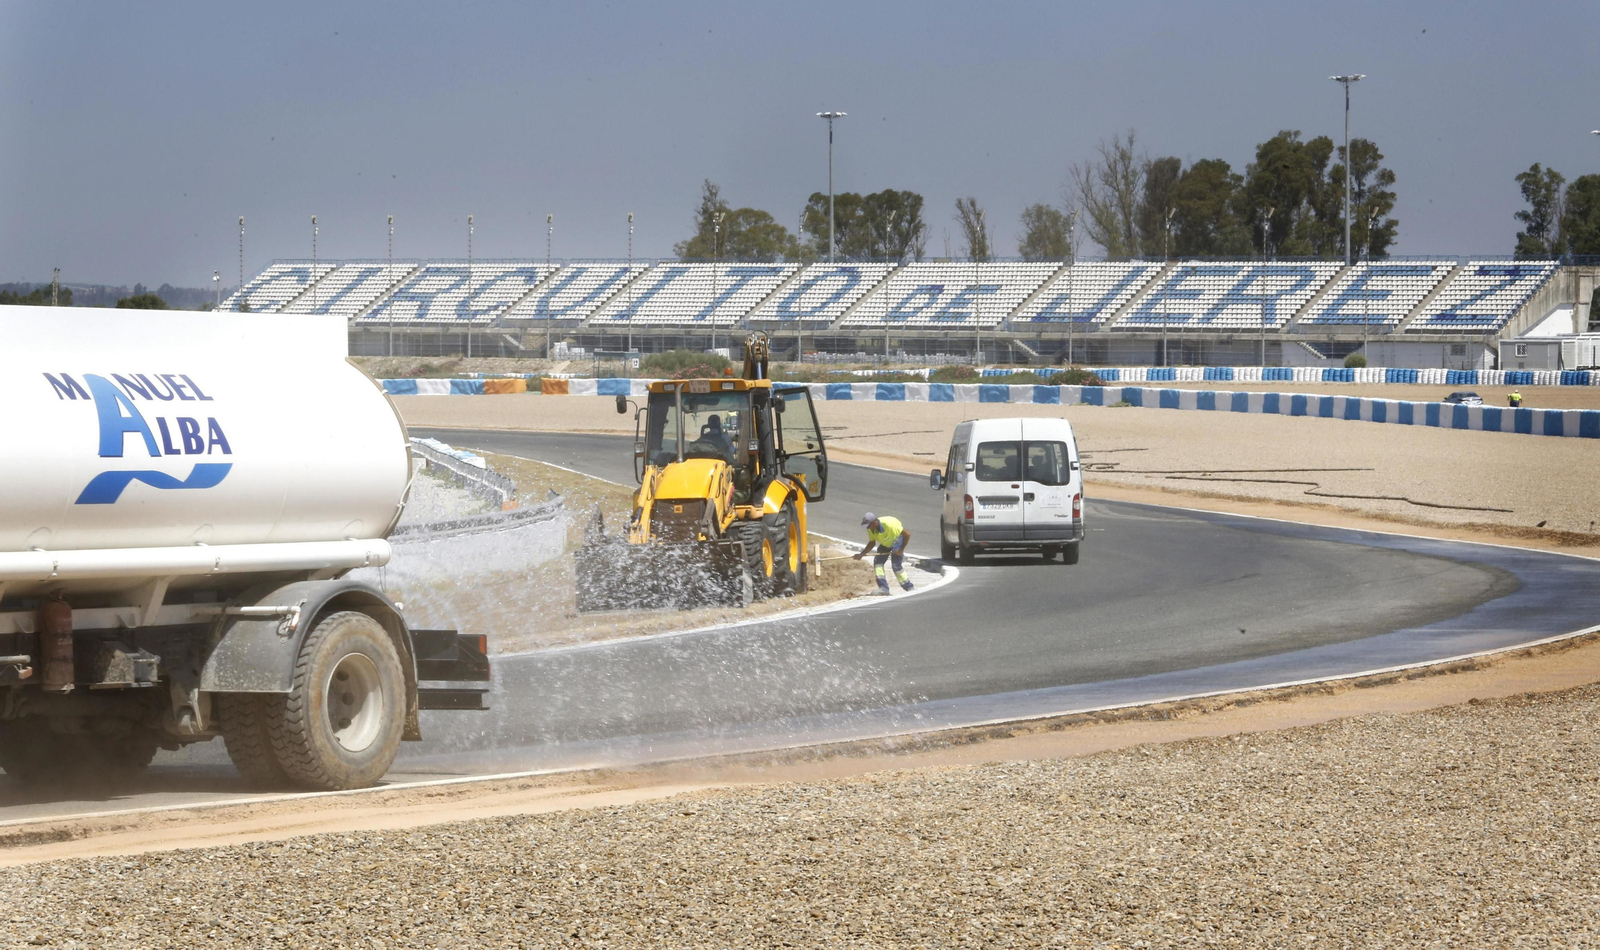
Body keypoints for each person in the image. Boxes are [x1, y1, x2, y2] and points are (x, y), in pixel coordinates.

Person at [853, 512, 914, 594]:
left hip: (897, 539)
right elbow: (872, 543)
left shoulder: (889, 525)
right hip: (886, 542)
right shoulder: (871, 529)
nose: (867, 528)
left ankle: (909, 587)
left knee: (896, 566)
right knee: (878, 563)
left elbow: (907, 534)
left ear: (875, 523)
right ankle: (883, 588)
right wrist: (862, 554)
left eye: (868, 526)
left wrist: (900, 550)